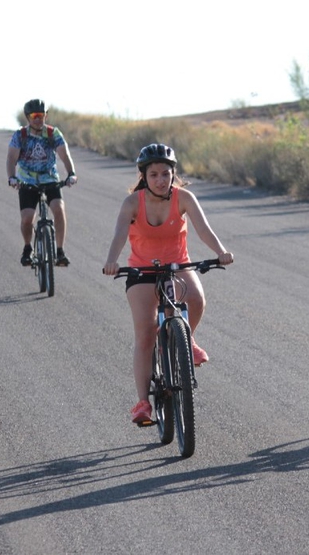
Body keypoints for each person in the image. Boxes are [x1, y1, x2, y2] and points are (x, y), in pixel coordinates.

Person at [102, 143, 234, 424]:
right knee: (146, 333)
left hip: (178, 265)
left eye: (166, 174)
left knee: (196, 300)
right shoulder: (132, 203)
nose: (161, 180)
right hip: (141, 272)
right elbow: (118, 236)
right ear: (144, 176)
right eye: (154, 175)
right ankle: (142, 403)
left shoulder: (184, 198)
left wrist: (220, 252)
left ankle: (188, 339)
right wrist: (112, 260)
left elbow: (203, 229)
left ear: (173, 174)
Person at [6, 99, 77, 267]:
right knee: (27, 218)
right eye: (34, 116)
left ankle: (59, 251)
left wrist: (71, 173)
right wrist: (12, 177)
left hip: (49, 177)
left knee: (59, 209)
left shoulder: (53, 133)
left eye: (42, 115)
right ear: (28, 117)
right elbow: (11, 158)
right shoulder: (20, 135)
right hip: (27, 180)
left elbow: (64, 155)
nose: (38, 119)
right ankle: (27, 247)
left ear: (46, 115)